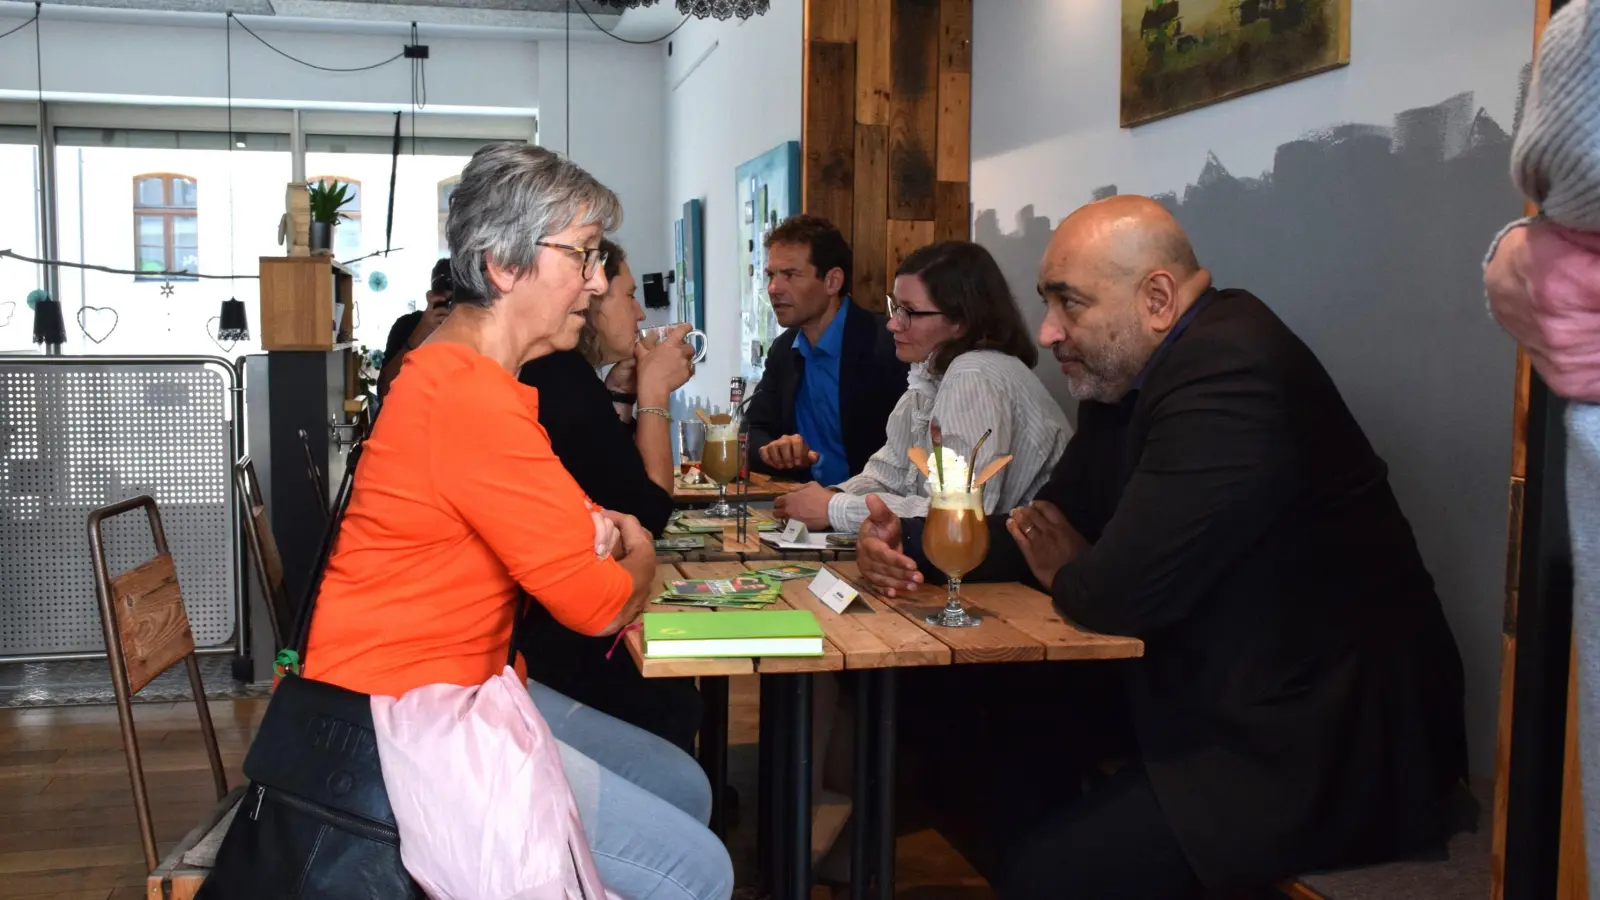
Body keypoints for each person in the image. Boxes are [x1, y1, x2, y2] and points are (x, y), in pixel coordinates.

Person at [856, 196, 1468, 898]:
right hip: (1209, 681)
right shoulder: (1133, 370)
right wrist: (906, 542)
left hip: (1323, 735)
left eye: (1070, 304)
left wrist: (1070, 563)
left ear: (1156, 298)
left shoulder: (1232, 368)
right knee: (991, 728)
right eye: (1046, 302)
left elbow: (1116, 593)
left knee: (1046, 873)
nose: (1049, 331)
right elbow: (1046, 523)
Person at [302, 143, 732, 900]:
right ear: (503, 264)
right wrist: (637, 554)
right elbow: (600, 604)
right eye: (585, 257)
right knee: (700, 869)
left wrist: (611, 540)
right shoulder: (468, 396)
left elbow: (577, 525)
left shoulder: (470, 378)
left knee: (680, 782)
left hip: (467, 684)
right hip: (405, 718)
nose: (597, 283)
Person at [517, 238, 702, 752]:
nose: (640, 310)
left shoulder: (559, 374)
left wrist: (622, 393)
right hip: (553, 640)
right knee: (675, 699)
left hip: (539, 620)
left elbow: (605, 473)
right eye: (627, 295)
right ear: (592, 304)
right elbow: (649, 509)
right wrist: (654, 394)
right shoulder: (560, 378)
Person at [773, 241, 1070, 533]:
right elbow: (888, 474)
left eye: (910, 312)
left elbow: (957, 515)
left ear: (961, 321)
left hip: (1024, 575)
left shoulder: (976, 373)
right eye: (895, 307)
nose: (893, 324)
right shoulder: (927, 377)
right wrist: (827, 497)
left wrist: (832, 508)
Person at [745, 215, 907, 484]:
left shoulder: (886, 345)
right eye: (771, 275)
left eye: (790, 275)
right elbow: (752, 430)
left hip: (871, 511)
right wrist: (773, 451)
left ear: (832, 281)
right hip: (803, 510)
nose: (773, 288)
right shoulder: (785, 349)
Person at [377, 257, 454, 400]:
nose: (451, 309)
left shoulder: (478, 331)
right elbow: (384, 390)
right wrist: (419, 335)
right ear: (431, 296)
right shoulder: (409, 325)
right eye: (447, 302)